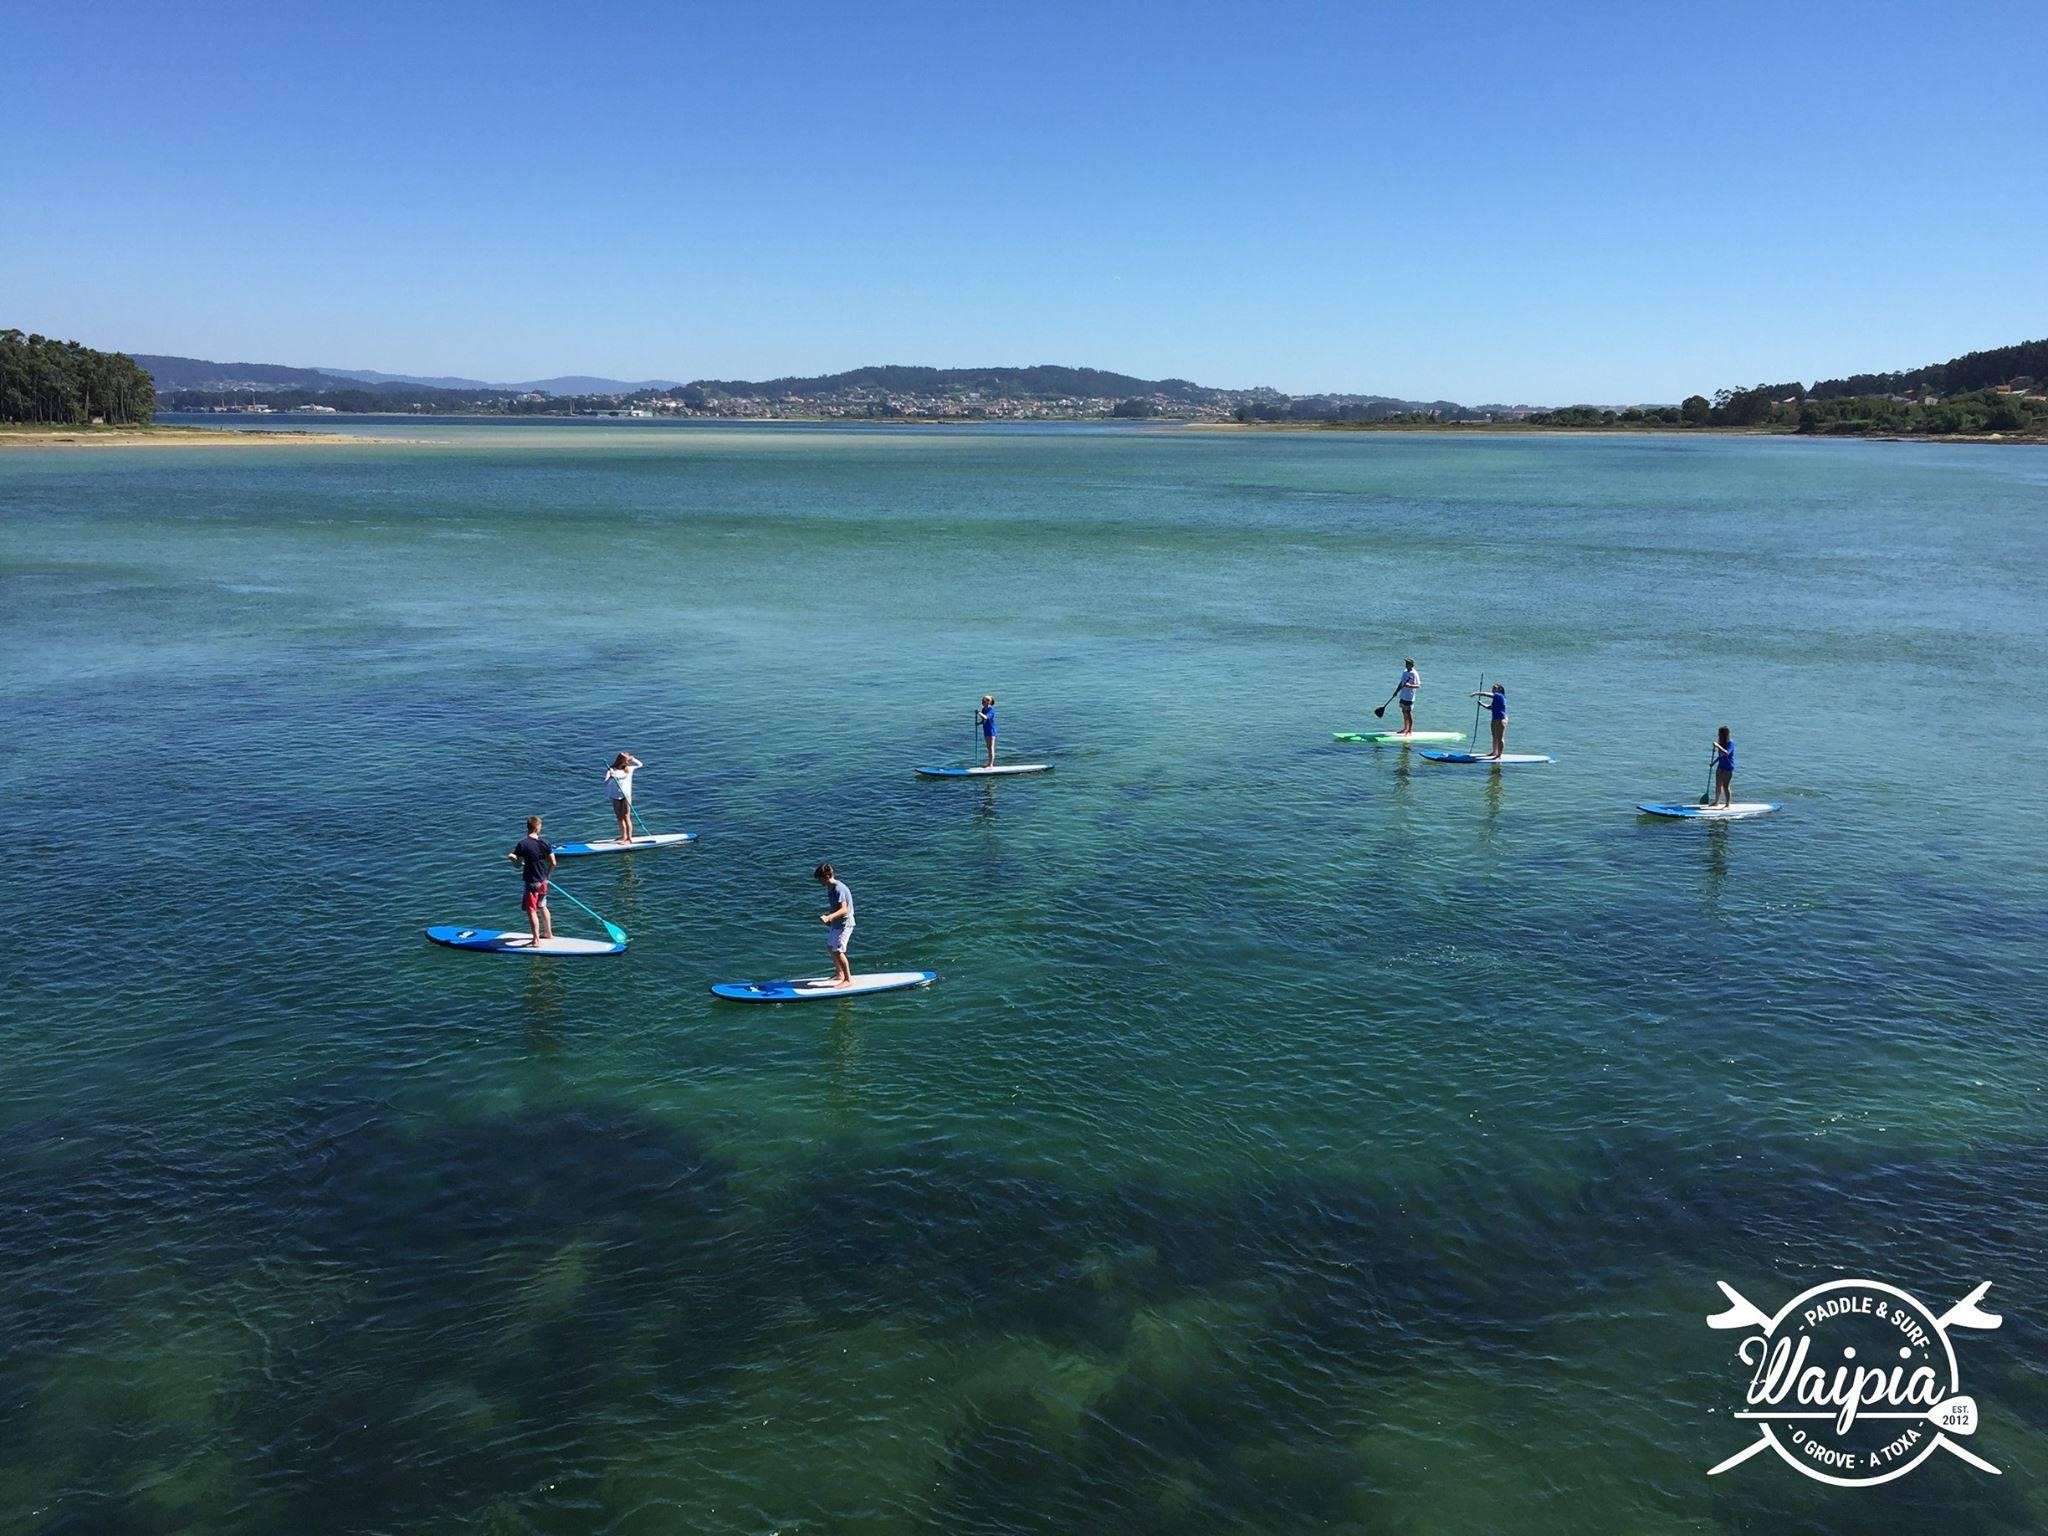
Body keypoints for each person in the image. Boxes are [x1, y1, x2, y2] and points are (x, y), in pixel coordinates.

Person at [507, 815, 556, 947]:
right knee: (542, 906)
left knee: (532, 910)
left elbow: (518, 865)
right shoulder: (545, 843)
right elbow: (553, 863)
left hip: (532, 883)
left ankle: (536, 940)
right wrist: (548, 876)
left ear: (528, 827)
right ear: (538, 827)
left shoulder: (523, 844)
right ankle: (548, 933)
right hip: (543, 881)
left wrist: (512, 857)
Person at [815, 862, 854, 986]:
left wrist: (829, 917)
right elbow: (835, 907)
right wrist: (830, 919)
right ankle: (839, 973)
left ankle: (848, 980)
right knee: (830, 948)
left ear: (826, 876)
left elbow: (844, 909)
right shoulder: (830, 888)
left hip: (844, 924)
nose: (818, 882)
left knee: (838, 950)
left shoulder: (838, 888)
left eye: (819, 879)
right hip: (836, 923)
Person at [603, 752, 643, 843]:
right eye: (626, 761)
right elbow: (605, 783)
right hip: (614, 795)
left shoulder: (629, 769)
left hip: (626, 795)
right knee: (619, 817)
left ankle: (629, 838)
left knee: (626, 816)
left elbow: (640, 764)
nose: (628, 763)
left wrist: (632, 759)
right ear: (621, 761)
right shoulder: (611, 770)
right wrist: (610, 777)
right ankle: (623, 836)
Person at [1469, 683, 1508, 758]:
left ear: (1499, 689)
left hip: (1501, 719)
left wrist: (1476, 693)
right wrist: (1481, 704)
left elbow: (1486, 694)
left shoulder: (1499, 696)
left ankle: (1499, 755)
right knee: (1494, 737)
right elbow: (1490, 707)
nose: (1493, 689)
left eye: (1495, 688)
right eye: (1492, 688)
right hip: (1494, 719)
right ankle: (1494, 752)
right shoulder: (1495, 699)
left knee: (1500, 738)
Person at [1710, 726, 1735, 808]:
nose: (1718, 735)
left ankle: (1727, 804)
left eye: (1719, 734)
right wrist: (1713, 763)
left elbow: (1726, 753)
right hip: (1720, 766)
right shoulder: (1721, 743)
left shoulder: (1730, 743)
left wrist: (1717, 746)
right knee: (1718, 784)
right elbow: (1721, 755)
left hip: (1728, 767)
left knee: (1725, 786)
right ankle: (1716, 802)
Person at [1394, 658, 1421, 734]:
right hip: (1403, 695)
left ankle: (1410, 731)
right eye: (1406, 663)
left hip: (1409, 697)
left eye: (1408, 663)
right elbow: (1401, 683)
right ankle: (1405, 728)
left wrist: (1409, 685)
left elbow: (1418, 685)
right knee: (1403, 712)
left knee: (1408, 713)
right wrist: (1396, 691)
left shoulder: (1414, 673)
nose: (1406, 664)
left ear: (1412, 665)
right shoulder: (1405, 672)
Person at [976, 695, 998, 768]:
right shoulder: (983, 709)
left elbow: (986, 717)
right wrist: (979, 723)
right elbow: (984, 720)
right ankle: (988, 764)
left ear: (988, 702)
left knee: (991, 747)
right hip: (985, 729)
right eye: (982, 701)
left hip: (991, 730)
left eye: (984, 701)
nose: (982, 702)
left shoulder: (991, 710)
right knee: (988, 747)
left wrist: (979, 713)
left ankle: (991, 765)